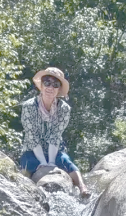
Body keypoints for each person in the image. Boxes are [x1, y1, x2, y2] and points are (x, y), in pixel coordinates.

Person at [18, 66, 88, 195]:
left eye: (55, 84)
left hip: (54, 150)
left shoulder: (64, 109)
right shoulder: (29, 106)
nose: (50, 87)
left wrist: (50, 162)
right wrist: (43, 164)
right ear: (41, 85)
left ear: (59, 89)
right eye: (47, 83)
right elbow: (31, 135)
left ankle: (83, 188)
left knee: (67, 163)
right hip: (32, 150)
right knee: (27, 166)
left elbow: (55, 134)